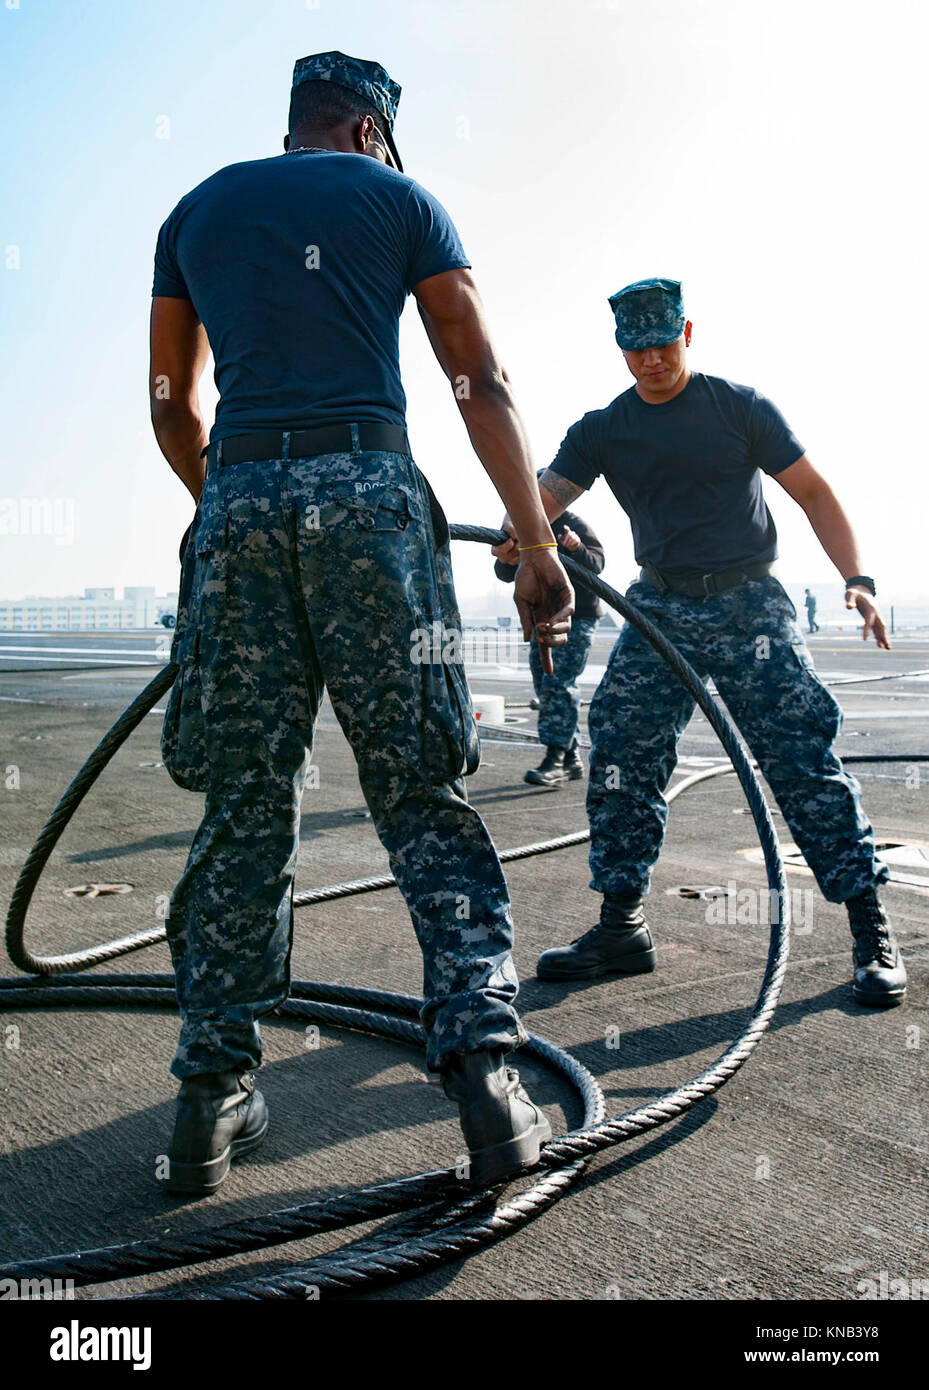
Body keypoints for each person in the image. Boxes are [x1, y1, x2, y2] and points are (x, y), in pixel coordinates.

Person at [148, 50, 574, 1193]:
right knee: (419, 791)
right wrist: (534, 543)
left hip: (238, 498)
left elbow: (171, 404)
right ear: (370, 131)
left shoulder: (196, 208)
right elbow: (475, 377)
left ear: (297, 124)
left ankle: (207, 1100)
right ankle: (485, 1077)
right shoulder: (401, 200)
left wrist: (238, 512)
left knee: (243, 799)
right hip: (372, 499)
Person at [493, 278, 905, 1009]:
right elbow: (543, 498)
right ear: (620, 350)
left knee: (801, 758)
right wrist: (523, 538)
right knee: (620, 748)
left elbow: (811, 490)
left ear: (688, 334)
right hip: (659, 604)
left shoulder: (737, 406)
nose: (650, 360)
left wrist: (857, 577)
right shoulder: (602, 428)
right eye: (635, 348)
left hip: (750, 602)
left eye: (661, 344)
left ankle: (868, 928)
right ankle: (621, 926)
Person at [494, 471, 605, 785]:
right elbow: (503, 573)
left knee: (558, 683)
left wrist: (576, 548)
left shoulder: (575, 524)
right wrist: (509, 553)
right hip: (540, 616)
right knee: (545, 684)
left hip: (576, 618)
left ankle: (556, 757)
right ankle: (570, 758)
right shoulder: (522, 525)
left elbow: (597, 565)